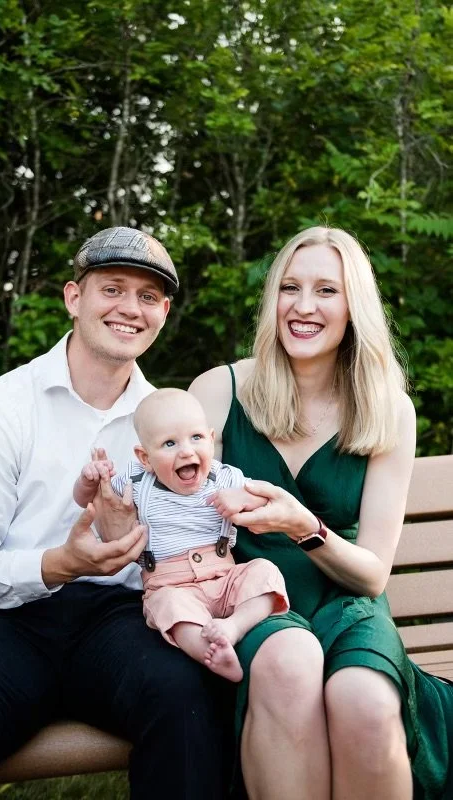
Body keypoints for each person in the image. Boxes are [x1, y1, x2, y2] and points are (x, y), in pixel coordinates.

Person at [0, 226, 233, 800]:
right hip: (3, 624)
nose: (129, 309)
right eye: (112, 288)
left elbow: (199, 531)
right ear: (74, 298)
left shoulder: (164, 421)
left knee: (189, 701)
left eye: (147, 297)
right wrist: (58, 564)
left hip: (118, 622)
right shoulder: (1, 410)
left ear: (163, 313)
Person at [189, 225, 453, 800]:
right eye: (290, 288)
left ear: (354, 305)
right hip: (253, 604)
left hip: (346, 600)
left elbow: (371, 573)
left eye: (326, 291)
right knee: (290, 668)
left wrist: (303, 526)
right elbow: (180, 514)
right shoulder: (220, 390)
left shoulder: (388, 411)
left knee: (364, 699)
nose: (303, 307)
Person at [73, 388, 289, 682]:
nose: (186, 451)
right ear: (144, 458)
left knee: (265, 571)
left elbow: (266, 500)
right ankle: (212, 651)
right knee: (169, 608)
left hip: (225, 577)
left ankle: (234, 626)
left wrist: (244, 499)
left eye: (196, 438)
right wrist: (90, 480)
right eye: (170, 443)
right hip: (170, 583)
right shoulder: (137, 481)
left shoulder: (225, 477)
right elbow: (86, 499)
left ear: (211, 439)